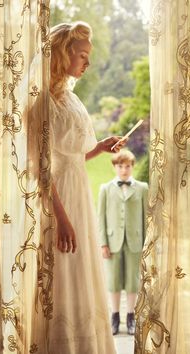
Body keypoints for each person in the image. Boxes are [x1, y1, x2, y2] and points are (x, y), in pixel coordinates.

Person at [48, 21, 126, 354]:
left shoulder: (69, 95)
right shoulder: (44, 100)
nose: (87, 63)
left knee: (83, 270)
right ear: (62, 53)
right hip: (59, 199)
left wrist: (99, 148)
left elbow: (73, 155)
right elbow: (41, 166)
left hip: (78, 193)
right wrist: (61, 219)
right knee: (65, 269)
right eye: (81, 55)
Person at [98, 150, 148, 336]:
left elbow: (145, 217)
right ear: (114, 167)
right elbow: (100, 217)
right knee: (113, 280)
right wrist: (103, 243)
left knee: (132, 281)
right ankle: (115, 316)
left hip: (135, 241)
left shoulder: (142, 188)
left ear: (132, 166)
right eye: (120, 166)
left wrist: (146, 244)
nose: (124, 170)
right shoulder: (105, 189)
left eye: (127, 166)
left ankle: (131, 316)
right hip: (112, 242)